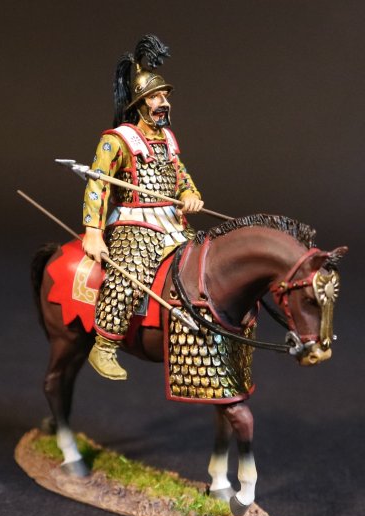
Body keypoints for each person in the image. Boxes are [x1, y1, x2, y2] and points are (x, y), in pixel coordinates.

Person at [82, 34, 204, 380]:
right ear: (139, 104)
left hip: (172, 222)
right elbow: (98, 184)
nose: (163, 103)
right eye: (155, 96)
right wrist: (93, 232)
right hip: (134, 223)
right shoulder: (117, 140)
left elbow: (180, 175)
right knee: (129, 272)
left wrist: (190, 193)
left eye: (165, 96)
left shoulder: (167, 139)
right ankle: (104, 345)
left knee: (202, 263)